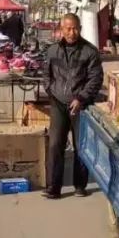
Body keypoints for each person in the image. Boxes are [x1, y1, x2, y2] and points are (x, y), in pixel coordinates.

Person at [43, 13, 103, 199]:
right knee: (55, 145)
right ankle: (53, 187)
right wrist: (51, 91)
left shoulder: (90, 51)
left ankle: (80, 185)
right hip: (58, 104)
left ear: (80, 28)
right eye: (68, 28)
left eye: (75, 28)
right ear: (61, 29)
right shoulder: (52, 51)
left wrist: (81, 98)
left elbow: (96, 78)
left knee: (81, 146)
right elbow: (46, 74)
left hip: (81, 105)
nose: (72, 32)